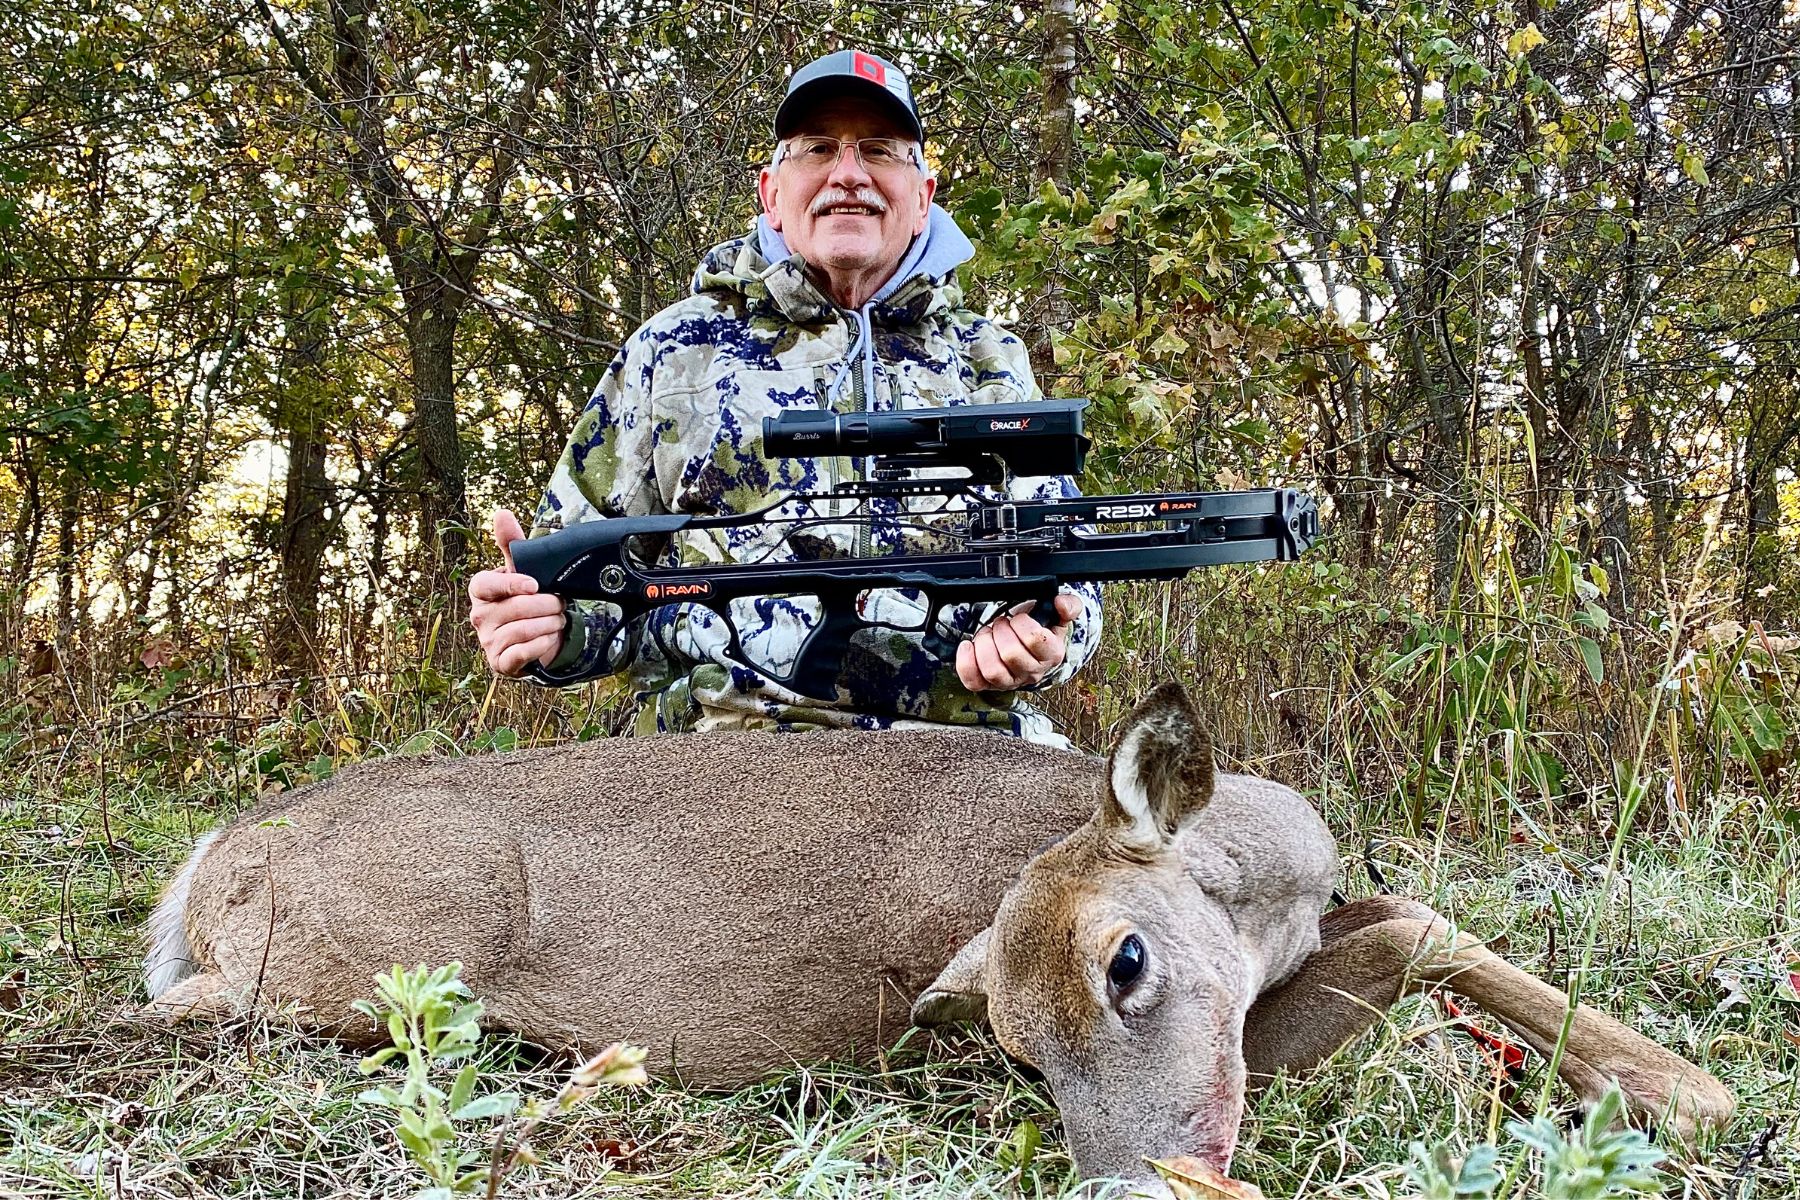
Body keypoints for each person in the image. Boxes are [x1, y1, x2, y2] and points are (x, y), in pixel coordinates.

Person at [468, 49, 1102, 747]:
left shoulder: (990, 360)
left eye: (881, 151)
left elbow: (1073, 575)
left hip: (967, 743)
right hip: (724, 743)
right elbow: (586, 594)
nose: (849, 173)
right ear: (772, 191)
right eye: (818, 149)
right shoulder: (674, 353)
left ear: (923, 197)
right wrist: (546, 628)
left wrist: (1044, 636)